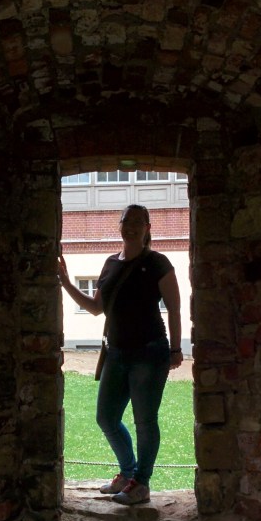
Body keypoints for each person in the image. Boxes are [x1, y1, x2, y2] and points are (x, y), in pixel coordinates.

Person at [58, 203, 183, 505]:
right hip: (116, 352)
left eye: (139, 221)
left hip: (149, 352)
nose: (132, 226)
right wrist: (66, 282)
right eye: (127, 220)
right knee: (106, 418)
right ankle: (128, 473)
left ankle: (142, 483)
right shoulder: (110, 263)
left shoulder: (158, 263)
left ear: (147, 228)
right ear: (120, 225)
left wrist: (176, 348)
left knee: (145, 421)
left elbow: (175, 309)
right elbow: (96, 308)